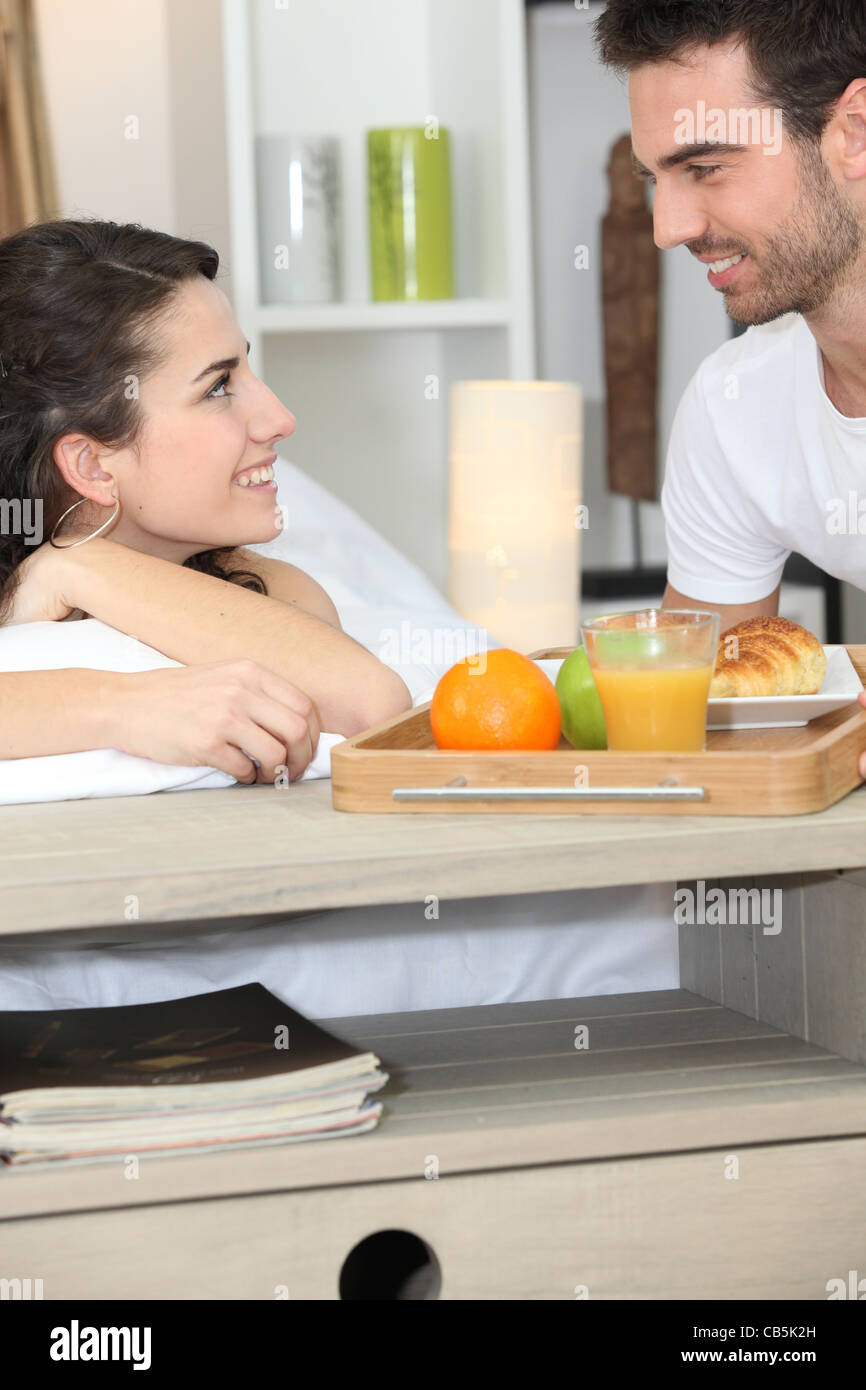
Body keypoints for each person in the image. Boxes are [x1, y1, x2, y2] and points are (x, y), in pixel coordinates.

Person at [0, 219, 412, 777]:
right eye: (217, 387)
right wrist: (115, 706)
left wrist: (79, 566)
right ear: (92, 465)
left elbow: (371, 703)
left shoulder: (264, 589)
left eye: (246, 368)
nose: (279, 420)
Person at [594, 0, 866, 773]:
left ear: (854, 131)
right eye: (656, 179)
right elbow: (698, 731)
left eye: (704, 167)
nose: (667, 227)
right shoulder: (734, 405)